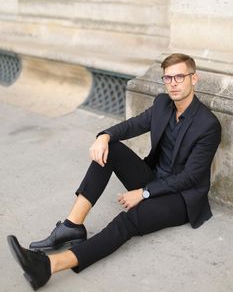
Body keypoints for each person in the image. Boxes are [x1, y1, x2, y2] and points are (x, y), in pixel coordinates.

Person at [7, 53, 221, 290]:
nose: (173, 83)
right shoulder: (162, 104)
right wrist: (104, 136)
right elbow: (133, 125)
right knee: (111, 149)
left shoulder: (208, 125)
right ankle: (72, 226)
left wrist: (144, 193)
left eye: (180, 77)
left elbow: (190, 177)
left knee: (127, 221)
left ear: (194, 79)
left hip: (182, 198)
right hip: (155, 177)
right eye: (168, 78)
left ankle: (49, 266)